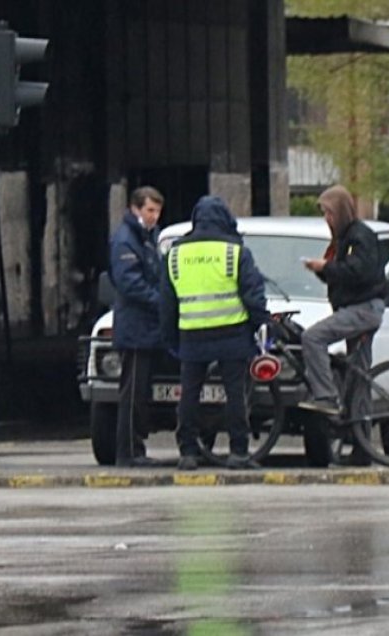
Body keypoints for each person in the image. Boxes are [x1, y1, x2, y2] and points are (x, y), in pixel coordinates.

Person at [160, 196, 269, 471]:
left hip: (192, 335)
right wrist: (259, 325)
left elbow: (167, 303)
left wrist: (170, 338)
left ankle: (187, 452)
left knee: (189, 394)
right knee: (235, 395)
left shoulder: (175, 253)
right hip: (232, 333)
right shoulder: (235, 251)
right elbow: (253, 294)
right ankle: (238, 452)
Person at [298, 185, 389, 441]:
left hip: (363, 309)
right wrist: (321, 269)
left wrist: (326, 266)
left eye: (329, 213)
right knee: (358, 377)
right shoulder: (343, 240)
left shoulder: (358, 237)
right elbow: (340, 275)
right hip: (358, 308)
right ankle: (361, 447)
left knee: (313, 337)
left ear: (340, 211)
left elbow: (357, 271)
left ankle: (325, 396)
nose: (326, 219)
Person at [108, 186, 165, 467]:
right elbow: (130, 283)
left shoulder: (147, 238)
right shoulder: (126, 240)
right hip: (135, 329)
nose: (154, 216)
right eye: (150, 210)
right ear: (135, 209)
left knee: (140, 392)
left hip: (147, 328)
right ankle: (128, 452)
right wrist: (161, 301)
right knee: (131, 393)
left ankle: (135, 448)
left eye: (157, 211)